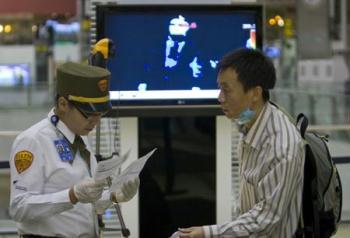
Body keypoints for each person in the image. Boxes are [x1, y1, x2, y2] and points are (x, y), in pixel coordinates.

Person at [172, 48, 305, 238]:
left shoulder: (281, 146)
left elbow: (265, 220)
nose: (220, 98)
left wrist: (207, 233)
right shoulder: (250, 121)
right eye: (220, 88)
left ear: (254, 93)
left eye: (226, 89)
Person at [9, 62, 139, 237]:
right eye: (89, 113)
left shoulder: (81, 138)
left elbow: (86, 203)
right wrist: (71, 195)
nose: (96, 121)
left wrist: (114, 196)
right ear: (63, 104)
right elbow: (19, 207)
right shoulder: (33, 141)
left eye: (100, 114)